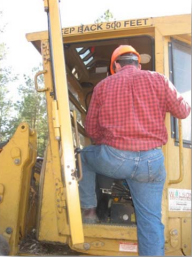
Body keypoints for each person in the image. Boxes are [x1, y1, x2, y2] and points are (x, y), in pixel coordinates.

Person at [79, 45, 191, 256]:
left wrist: (107, 142)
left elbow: (91, 129)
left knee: (82, 157)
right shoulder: (158, 79)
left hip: (116, 157)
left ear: (116, 66)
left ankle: (90, 210)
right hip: (152, 161)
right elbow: (183, 111)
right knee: (150, 221)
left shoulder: (102, 86)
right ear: (138, 64)